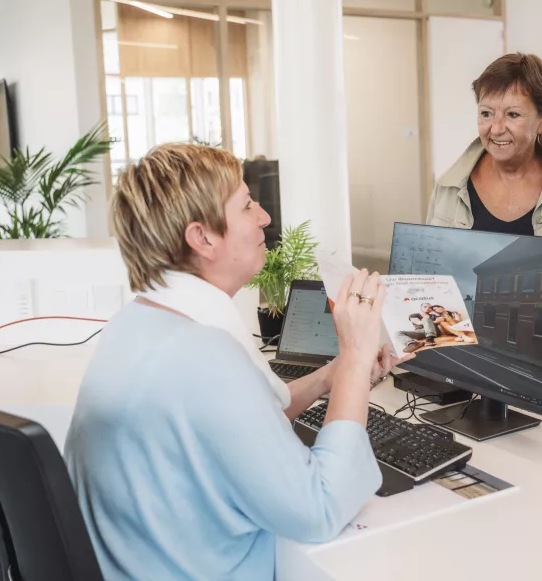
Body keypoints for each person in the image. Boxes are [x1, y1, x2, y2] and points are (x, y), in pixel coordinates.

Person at [64, 143, 411, 580]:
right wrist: (359, 357)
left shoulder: (139, 322)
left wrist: (334, 375)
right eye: (247, 206)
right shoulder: (204, 355)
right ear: (203, 237)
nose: (265, 217)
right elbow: (319, 509)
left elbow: (251, 413)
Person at [426, 52, 542, 430]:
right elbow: (432, 279)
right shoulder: (448, 187)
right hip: (468, 369)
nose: (496, 129)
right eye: (486, 113)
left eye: (513, 114)